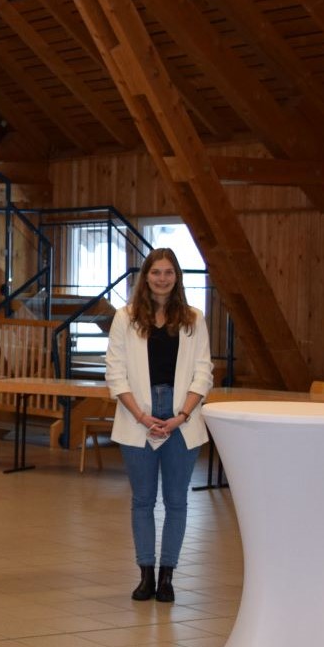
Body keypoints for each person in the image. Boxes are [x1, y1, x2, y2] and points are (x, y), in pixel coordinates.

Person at [105, 248, 214, 604]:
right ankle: (145, 575)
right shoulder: (126, 317)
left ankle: (168, 576)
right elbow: (115, 372)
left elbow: (203, 372)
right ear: (146, 276)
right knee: (142, 500)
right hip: (139, 415)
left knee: (176, 501)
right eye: (156, 272)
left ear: (176, 277)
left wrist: (181, 415)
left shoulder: (194, 319)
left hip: (182, 417)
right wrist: (140, 415)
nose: (162, 279)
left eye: (169, 272)